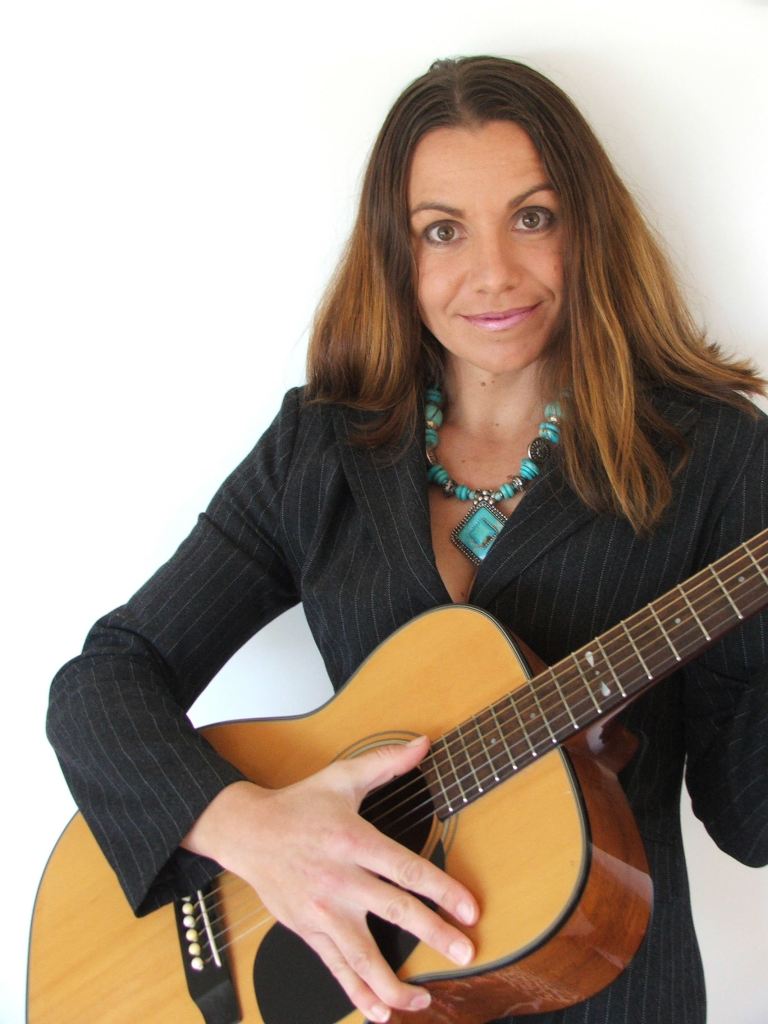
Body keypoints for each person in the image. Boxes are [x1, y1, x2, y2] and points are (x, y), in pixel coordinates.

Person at [47, 56, 768, 1024]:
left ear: (587, 228)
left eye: (533, 217)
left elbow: (748, 818)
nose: (493, 272)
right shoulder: (320, 449)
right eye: (443, 229)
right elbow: (105, 678)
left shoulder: (714, 453)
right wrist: (256, 831)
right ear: (397, 252)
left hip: (607, 992)